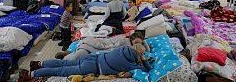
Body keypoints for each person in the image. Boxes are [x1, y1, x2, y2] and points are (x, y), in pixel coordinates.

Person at [19, 44, 151, 79]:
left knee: (64, 63)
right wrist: (143, 59)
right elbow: (147, 69)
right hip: (93, 67)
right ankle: (30, 75)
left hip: (93, 57)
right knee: (61, 71)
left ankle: (38, 64)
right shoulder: (130, 64)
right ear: (139, 54)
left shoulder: (123, 48)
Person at [56, 32, 150, 61]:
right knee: (79, 56)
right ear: (132, 38)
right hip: (102, 45)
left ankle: (69, 54)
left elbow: (148, 51)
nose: (137, 44)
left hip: (102, 45)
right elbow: (111, 47)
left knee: (79, 55)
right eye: (136, 42)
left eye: (139, 43)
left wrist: (144, 42)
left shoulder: (135, 47)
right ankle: (66, 56)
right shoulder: (124, 40)